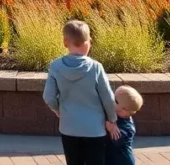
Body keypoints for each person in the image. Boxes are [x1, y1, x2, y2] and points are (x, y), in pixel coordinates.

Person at [43, 20, 119, 165]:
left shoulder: (55, 66)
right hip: (95, 128)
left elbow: (48, 96)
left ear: (65, 42)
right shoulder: (96, 68)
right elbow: (107, 97)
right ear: (88, 42)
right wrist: (112, 119)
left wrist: (57, 109)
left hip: (68, 126)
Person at [105, 86, 143, 165]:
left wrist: (110, 129)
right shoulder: (117, 115)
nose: (112, 101)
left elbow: (117, 141)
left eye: (115, 100)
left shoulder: (128, 127)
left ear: (124, 109)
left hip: (123, 161)